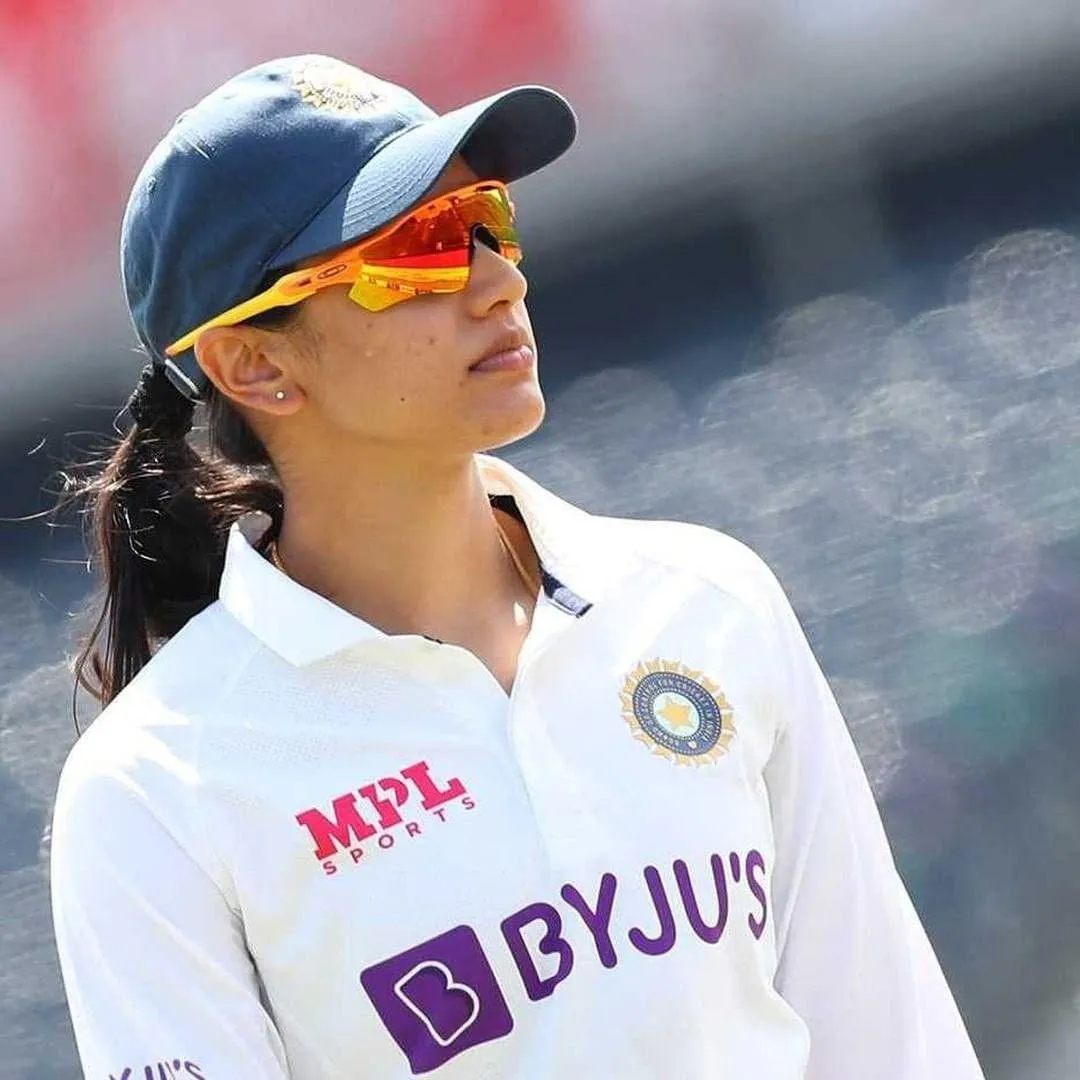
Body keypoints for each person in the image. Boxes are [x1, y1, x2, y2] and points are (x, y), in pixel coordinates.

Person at [49, 54, 985, 1080]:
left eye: (488, 221)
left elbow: (892, 1045)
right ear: (255, 365)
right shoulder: (151, 790)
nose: (499, 279)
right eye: (422, 250)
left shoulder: (708, 603)